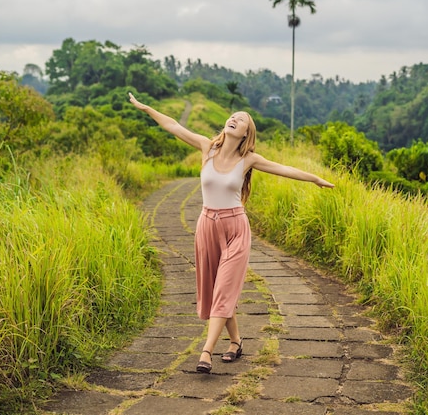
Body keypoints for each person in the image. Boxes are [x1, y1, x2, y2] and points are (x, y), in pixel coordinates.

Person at [128, 92, 334, 374]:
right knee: (216, 290)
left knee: (224, 290)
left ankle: (206, 352)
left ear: (247, 133)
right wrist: (145, 107)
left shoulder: (248, 159)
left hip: (236, 228)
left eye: (241, 119)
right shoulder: (207, 148)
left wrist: (314, 179)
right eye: (232, 117)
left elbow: (283, 169)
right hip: (206, 226)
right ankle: (236, 342)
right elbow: (173, 126)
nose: (233, 119)